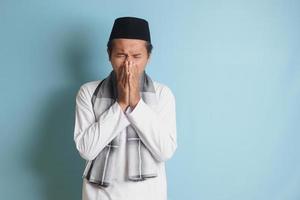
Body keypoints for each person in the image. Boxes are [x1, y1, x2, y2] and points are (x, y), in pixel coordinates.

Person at [73, 16, 177, 200]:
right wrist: (121, 103)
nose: (129, 63)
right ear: (109, 55)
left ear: (148, 57)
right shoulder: (88, 92)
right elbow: (86, 150)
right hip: (99, 195)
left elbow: (165, 151)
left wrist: (136, 102)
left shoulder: (162, 94)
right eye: (121, 55)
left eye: (137, 56)